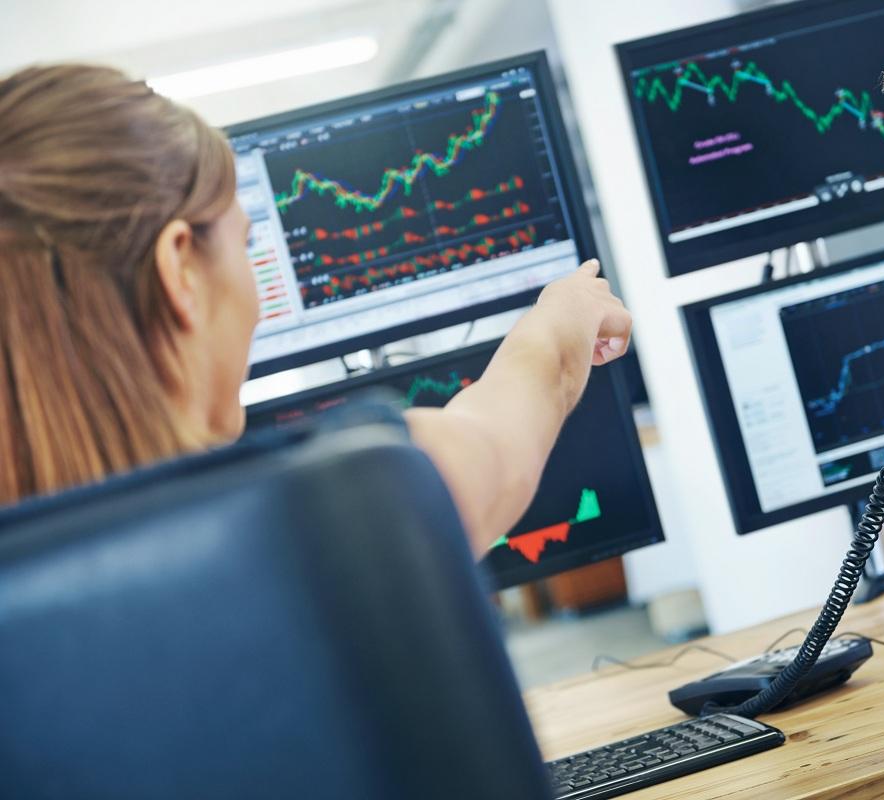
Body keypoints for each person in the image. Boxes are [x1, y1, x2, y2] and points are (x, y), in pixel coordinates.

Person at [0, 64, 632, 559]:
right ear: (181, 273)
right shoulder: (332, 507)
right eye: (243, 245)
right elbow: (500, 443)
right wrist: (567, 312)